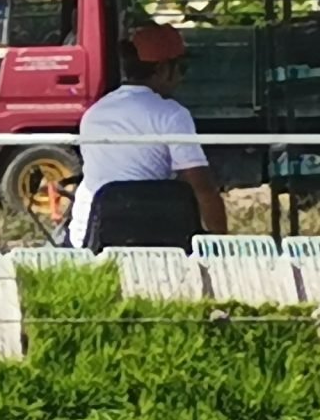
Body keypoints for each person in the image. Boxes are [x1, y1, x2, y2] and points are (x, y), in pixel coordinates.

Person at [65, 21, 230, 249]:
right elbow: (202, 188)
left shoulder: (94, 114)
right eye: (181, 68)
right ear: (162, 69)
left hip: (89, 236)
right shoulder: (171, 114)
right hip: (154, 236)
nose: (182, 78)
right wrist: (222, 244)